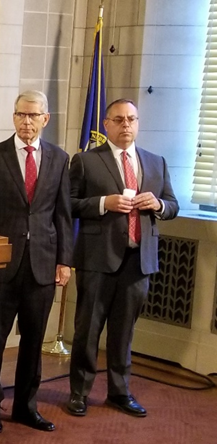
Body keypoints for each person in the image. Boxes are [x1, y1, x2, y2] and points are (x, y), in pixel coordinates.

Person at [66, 99, 179, 418]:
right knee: (88, 329)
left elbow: (172, 205)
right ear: (106, 125)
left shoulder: (156, 162)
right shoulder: (86, 161)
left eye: (131, 119)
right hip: (97, 259)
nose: (126, 125)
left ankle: (119, 391)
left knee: (124, 331)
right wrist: (104, 203)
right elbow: (69, 203)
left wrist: (157, 204)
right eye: (119, 119)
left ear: (138, 123)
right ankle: (79, 392)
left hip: (138, 260)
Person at [0, 90, 73, 434]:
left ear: (46, 119)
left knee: (33, 342)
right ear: (13, 118)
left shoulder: (59, 159)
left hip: (42, 265)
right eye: (20, 115)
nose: (26, 122)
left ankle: (27, 407)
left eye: (33, 115)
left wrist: (64, 261)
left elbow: (62, 214)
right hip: (0, 266)